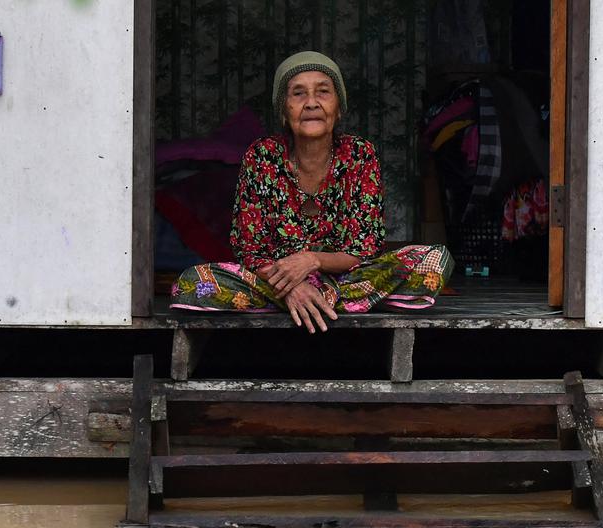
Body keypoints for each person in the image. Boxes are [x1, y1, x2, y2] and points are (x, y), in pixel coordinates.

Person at [170, 51, 453, 333]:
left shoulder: (360, 155)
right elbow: (250, 249)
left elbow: (363, 249)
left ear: (338, 107)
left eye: (323, 92)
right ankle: (320, 302)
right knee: (192, 282)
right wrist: (292, 286)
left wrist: (313, 260)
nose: (311, 103)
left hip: (345, 277)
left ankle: (311, 301)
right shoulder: (261, 156)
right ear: (284, 110)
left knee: (433, 260)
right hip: (275, 280)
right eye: (298, 94)